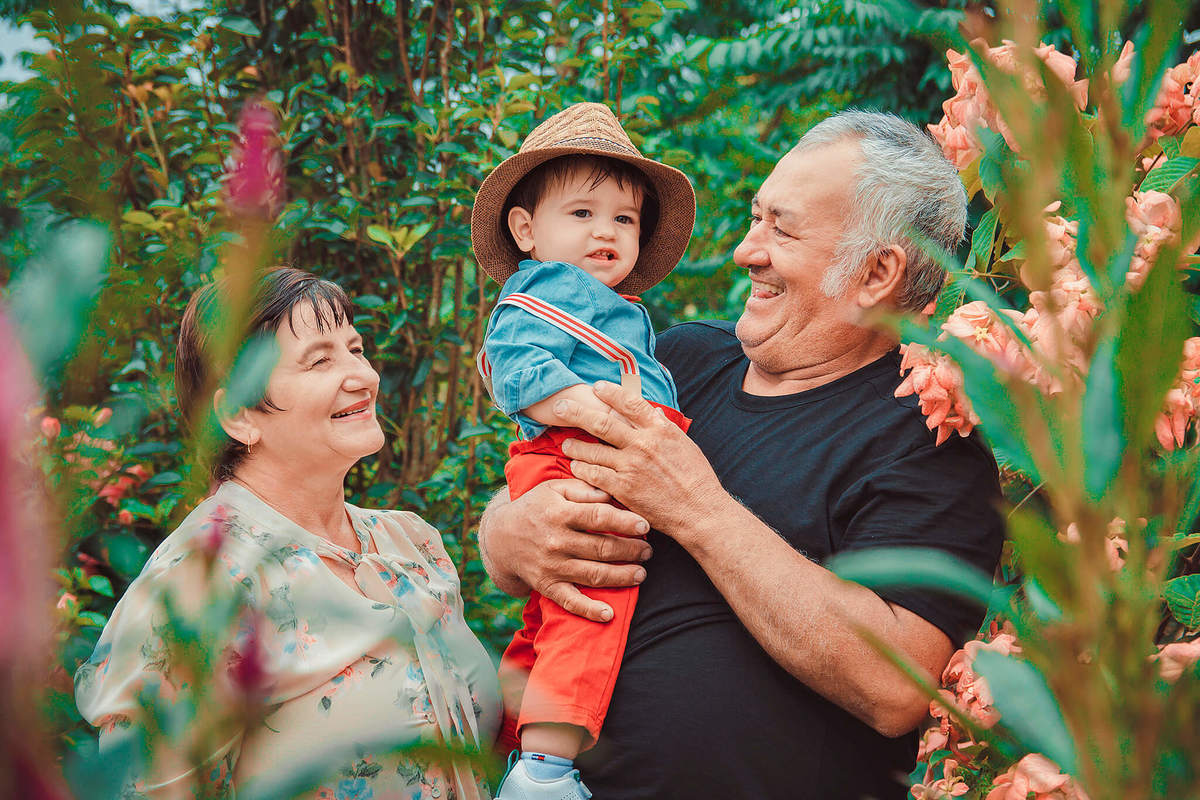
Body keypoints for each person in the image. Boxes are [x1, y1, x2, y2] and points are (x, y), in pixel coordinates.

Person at [477, 110, 1007, 799]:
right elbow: (534, 483)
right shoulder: (677, 358)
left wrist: (697, 508)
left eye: (781, 228)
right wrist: (511, 532)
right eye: (757, 218)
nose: (746, 251)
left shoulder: (930, 443)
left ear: (877, 273)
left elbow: (896, 687)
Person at [74, 268, 501, 799]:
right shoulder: (201, 583)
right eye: (320, 360)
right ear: (238, 414)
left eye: (356, 348)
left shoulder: (409, 543)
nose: (363, 376)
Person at [469, 102, 695, 798]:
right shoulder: (544, 290)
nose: (606, 232)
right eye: (583, 214)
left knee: (554, 603)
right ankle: (544, 771)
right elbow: (514, 364)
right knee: (593, 601)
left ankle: (510, 741)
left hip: (587, 448)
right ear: (526, 229)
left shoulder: (616, 309)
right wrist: (601, 416)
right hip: (575, 451)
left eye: (624, 219)